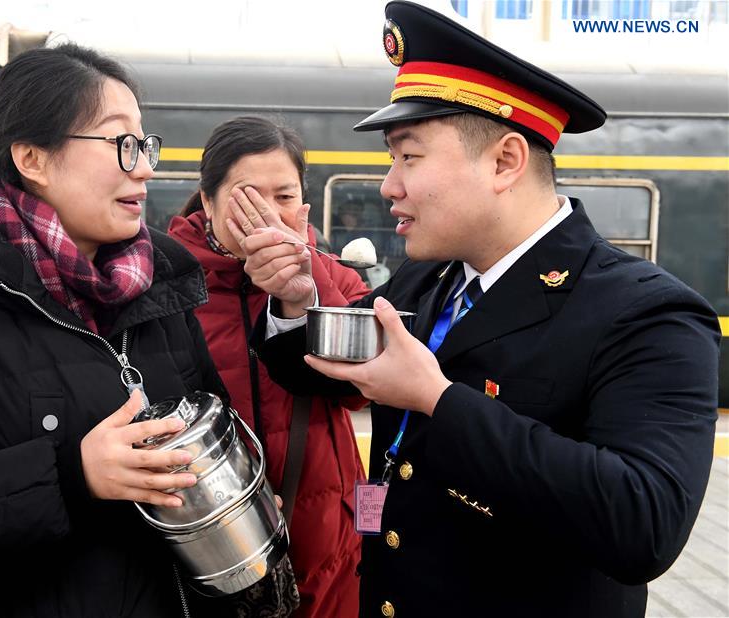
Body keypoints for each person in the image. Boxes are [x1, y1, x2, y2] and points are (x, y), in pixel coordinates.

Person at [232, 3, 721, 617]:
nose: (388, 185)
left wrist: (438, 400)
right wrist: (295, 301)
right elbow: (327, 370)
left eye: (408, 156)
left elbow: (643, 523)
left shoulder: (649, 313)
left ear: (504, 162)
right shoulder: (428, 280)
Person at [0, 43, 232, 617]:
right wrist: (73, 475)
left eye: (145, 143)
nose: (146, 166)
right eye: (122, 143)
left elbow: (212, 418)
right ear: (33, 158)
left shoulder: (160, 294)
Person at [168, 116, 369, 617]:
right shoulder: (162, 286)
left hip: (327, 532)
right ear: (207, 201)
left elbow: (361, 390)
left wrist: (306, 286)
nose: (267, 215)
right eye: (246, 197)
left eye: (283, 197)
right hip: (216, 543)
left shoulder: (336, 278)